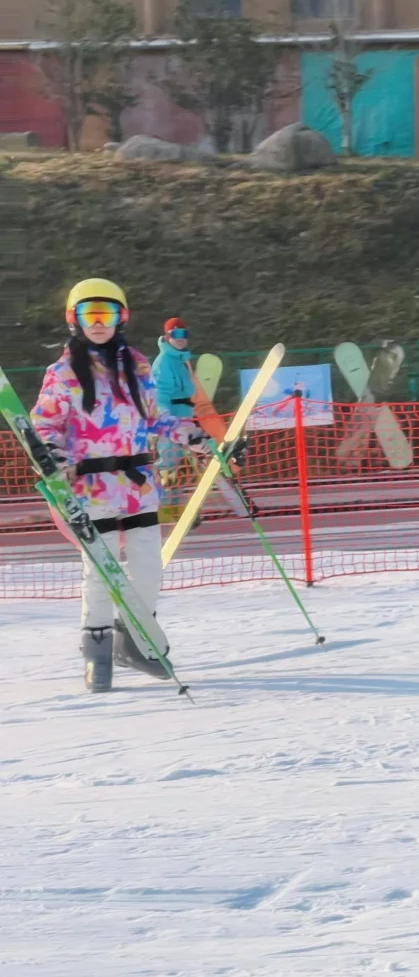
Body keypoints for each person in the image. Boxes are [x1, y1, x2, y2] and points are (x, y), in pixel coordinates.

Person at [31, 279, 206, 692]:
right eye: (89, 314)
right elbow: (45, 424)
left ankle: (135, 639)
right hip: (91, 486)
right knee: (100, 571)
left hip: (138, 483)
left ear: (120, 319)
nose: (98, 323)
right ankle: (97, 649)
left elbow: (155, 417)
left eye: (105, 314)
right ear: (74, 319)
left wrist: (193, 436)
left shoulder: (138, 364)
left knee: (149, 567)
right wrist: (51, 455)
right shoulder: (62, 372)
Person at [151, 316, 200, 519]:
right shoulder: (164, 362)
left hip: (184, 416)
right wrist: (165, 416)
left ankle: (175, 505)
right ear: (167, 337)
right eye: (175, 335)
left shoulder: (180, 359)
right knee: (168, 462)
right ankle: (162, 506)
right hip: (172, 421)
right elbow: (161, 392)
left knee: (180, 462)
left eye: (184, 334)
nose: (180, 339)